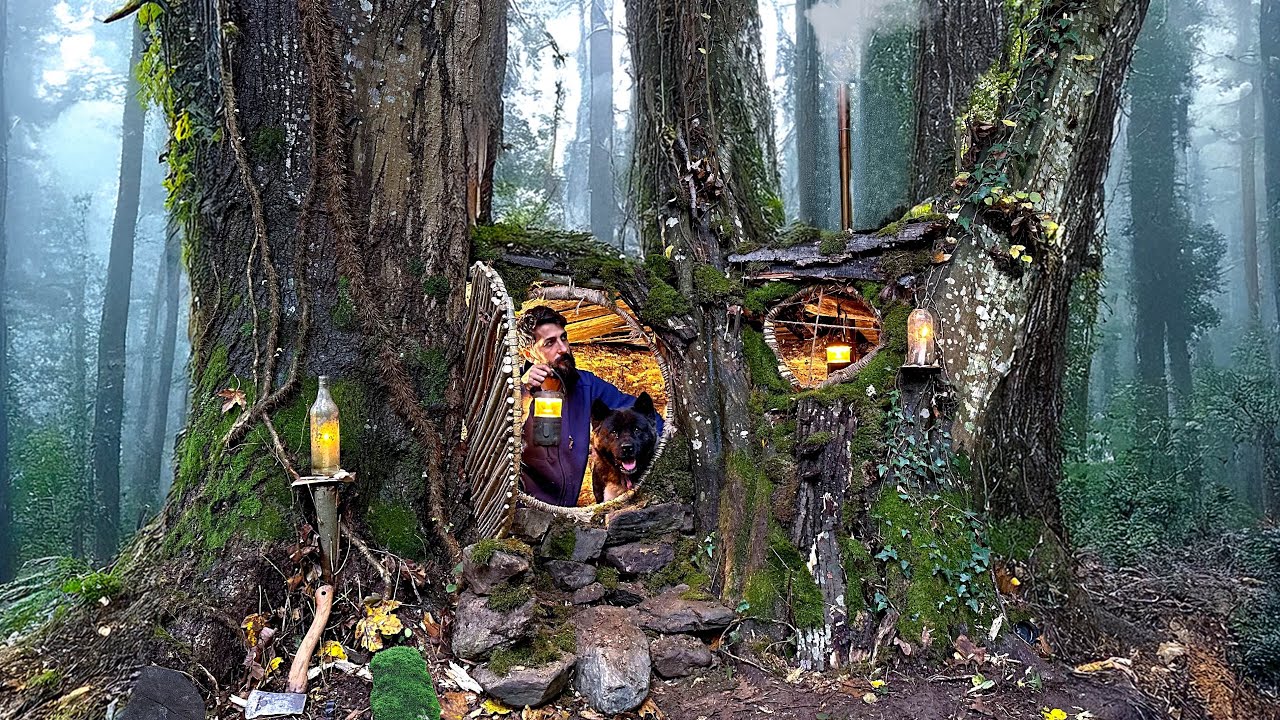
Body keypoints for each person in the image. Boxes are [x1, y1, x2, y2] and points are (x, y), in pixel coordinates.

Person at [516, 305, 663, 506]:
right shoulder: (513, 391)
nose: (563, 348)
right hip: (522, 509)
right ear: (528, 353)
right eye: (550, 343)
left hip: (566, 511)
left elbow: (645, 417)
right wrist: (522, 392)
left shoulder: (586, 386)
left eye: (563, 338)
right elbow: (495, 444)